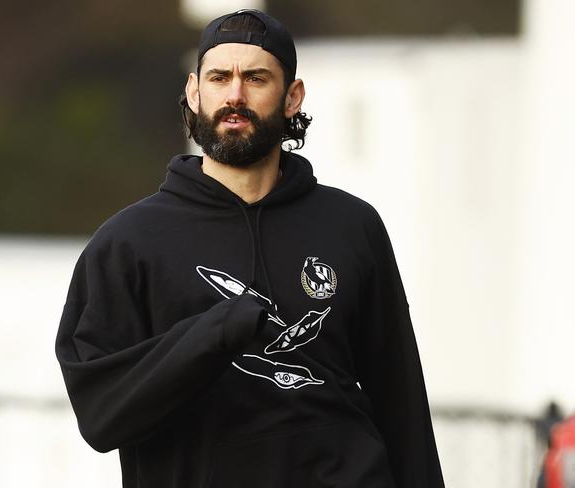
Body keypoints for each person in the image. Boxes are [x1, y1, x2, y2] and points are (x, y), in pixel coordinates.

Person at [55, 9, 445, 488]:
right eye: (220, 78)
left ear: (291, 97)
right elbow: (101, 415)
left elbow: (401, 399)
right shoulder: (127, 243)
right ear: (195, 93)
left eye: (256, 78)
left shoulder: (352, 225)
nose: (235, 95)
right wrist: (217, 331)